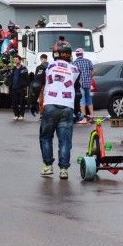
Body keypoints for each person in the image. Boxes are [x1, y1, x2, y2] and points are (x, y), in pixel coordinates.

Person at [38, 41, 79, 179]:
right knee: (65, 140)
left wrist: (33, 102)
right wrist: (78, 111)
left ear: (55, 53)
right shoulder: (74, 70)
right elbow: (78, 93)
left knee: (46, 137)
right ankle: (63, 170)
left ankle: (48, 166)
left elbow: (37, 84)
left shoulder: (48, 67)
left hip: (50, 105)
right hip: (67, 106)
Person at [72, 47, 94, 123]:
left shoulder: (74, 63)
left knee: (82, 101)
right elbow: (94, 71)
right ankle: (91, 117)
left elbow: (73, 74)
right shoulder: (88, 61)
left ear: (76, 54)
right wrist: (89, 77)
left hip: (80, 84)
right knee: (89, 100)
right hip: (88, 83)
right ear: (82, 54)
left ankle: (84, 119)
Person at [9, 56, 29, 120]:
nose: (15, 61)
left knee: (22, 102)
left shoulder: (24, 69)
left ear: (20, 61)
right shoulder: (13, 69)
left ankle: (21, 115)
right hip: (14, 88)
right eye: (14, 60)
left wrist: (24, 86)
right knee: (14, 102)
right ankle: (16, 115)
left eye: (17, 59)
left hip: (21, 88)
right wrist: (10, 84)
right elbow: (11, 78)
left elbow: (26, 79)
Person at [29, 53, 48, 118]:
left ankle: (46, 114)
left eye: (45, 59)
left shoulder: (48, 67)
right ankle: (41, 114)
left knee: (46, 101)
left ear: (46, 59)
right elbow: (36, 77)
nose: (43, 60)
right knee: (40, 101)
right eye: (42, 59)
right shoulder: (38, 67)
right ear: (40, 59)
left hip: (47, 86)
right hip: (40, 86)